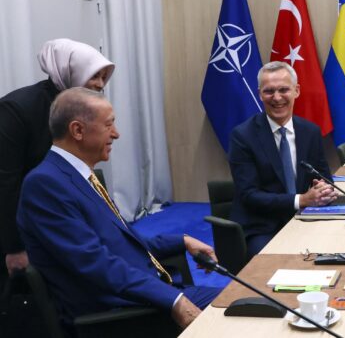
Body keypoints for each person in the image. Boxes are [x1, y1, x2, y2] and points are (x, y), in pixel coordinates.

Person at [16, 88, 222, 329]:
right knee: (244, 306)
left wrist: (182, 240)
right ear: (77, 130)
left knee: (252, 301)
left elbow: (120, 242)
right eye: (108, 125)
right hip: (119, 313)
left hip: (145, 295)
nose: (116, 134)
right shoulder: (45, 185)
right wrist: (174, 300)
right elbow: (94, 262)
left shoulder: (78, 175)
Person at [0, 38, 114, 279]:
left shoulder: (83, 110)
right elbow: (5, 184)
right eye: (94, 76)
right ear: (69, 71)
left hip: (58, 218)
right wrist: (14, 247)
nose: (100, 85)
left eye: (104, 78)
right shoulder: (16, 109)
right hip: (21, 224)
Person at [229, 61, 337, 257]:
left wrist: (324, 189)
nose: (277, 98)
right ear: (260, 94)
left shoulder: (310, 131)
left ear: (296, 91)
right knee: (274, 267)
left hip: (308, 218)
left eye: (283, 90)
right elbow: (249, 195)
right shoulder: (243, 136)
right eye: (269, 91)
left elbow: (323, 176)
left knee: (341, 250)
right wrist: (302, 199)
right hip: (262, 226)